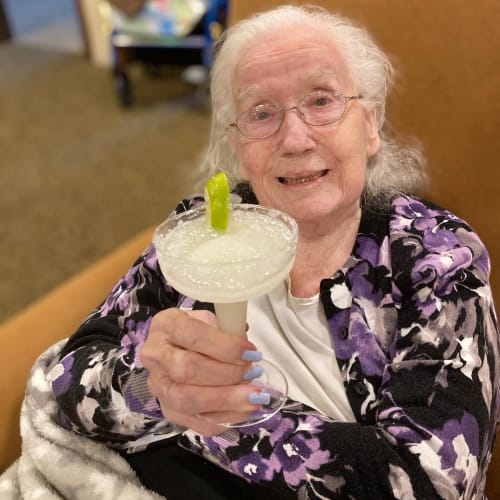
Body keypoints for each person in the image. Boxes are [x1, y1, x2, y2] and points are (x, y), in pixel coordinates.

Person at [47, 5, 499, 499]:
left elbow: (430, 484)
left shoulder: (433, 255)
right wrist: (151, 391)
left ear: (369, 125)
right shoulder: (202, 235)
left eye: (322, 101)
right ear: (237, 145)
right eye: (261, 113)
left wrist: (223, 420)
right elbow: (72, 377)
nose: (295, 138)